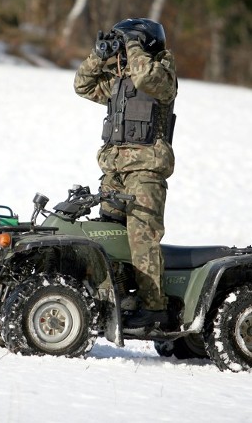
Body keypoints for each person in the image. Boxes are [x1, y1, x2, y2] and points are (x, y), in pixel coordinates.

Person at [74, 18, 177, 328]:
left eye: (129, 42)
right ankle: (118, 296)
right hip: (114, 171)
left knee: (141, 237)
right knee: (108, 236)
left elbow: (147, 77)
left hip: (145, 171)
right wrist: (99, 54)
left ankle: (154, 308)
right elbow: (82, 84)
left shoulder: (163, 75)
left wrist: (132, 44)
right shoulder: (118, 81)